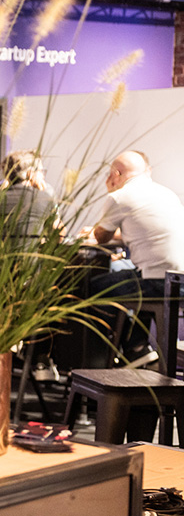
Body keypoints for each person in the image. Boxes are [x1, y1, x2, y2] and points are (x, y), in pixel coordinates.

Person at [85, 149, 184, 364]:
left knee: (93, 288)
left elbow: (101, 237)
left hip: (158, 283)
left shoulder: (119, 196)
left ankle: (112, 356)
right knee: (132, 274)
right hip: (180, 279)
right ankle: (138, 348)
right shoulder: (166, 193)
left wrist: (110, 193)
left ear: (116, 174)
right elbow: (143, 229)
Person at [0, 149, 61, 381]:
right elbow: (59, 235)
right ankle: (40, 361)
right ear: (33, 173)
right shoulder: (45, 197)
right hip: (30, 279)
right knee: (48, 296)